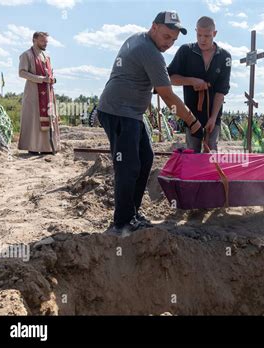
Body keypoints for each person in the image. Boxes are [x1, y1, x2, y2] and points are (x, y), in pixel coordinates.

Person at [97, 11, 203, 236]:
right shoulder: (149, 51)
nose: (169, 44)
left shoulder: (140, 39)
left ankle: (131, 214)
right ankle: (122, 224)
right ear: (153, 27)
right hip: (119, 111)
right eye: (166, 37)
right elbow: (167, 96)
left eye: (173, 40)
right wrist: (192, 122)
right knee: (128, 166)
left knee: (145, 159)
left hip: (132, 113)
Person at [167, 16, 231, 152]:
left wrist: (213, 118)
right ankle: (193, 173)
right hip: (191, 114)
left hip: (214, 113)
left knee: (211, 150)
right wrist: (191, 81)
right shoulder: (186, 51)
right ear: (195, 31)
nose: (202, 39)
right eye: (199, 35)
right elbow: (170, 78)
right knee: (192, 151)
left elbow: (221, 91)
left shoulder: (224, 57)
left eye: (207, 36)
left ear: (214, 34)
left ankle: (210, 174)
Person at [18, 31, 60, 155]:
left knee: (49, 117)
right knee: (34, 120)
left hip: (48, 93)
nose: (45, 44)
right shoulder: (26, 55)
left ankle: (47, 147)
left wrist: (52, 79)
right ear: (34, 40)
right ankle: (33, 147)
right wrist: (41, 79)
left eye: (46, 42)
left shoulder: (47, 57)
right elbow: (22, 72)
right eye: (43, 41)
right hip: (33, 94)